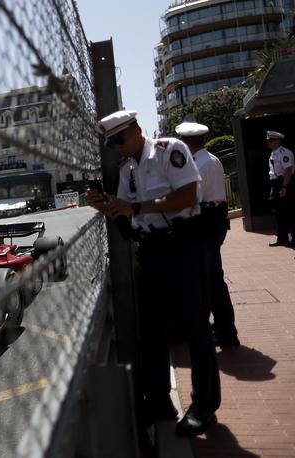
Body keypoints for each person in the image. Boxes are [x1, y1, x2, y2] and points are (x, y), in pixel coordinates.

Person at [86, 110, 220, 436]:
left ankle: (204, 405)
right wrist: (108, 206)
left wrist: (136, 207)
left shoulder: (168, 150)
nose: (117, 147)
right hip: (150, 251)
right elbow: (130, 216)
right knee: (152, 330)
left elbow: (188, 195)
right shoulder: (127, 169)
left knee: (195, 327)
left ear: (137, 131)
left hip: (182, 248)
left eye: (120, 139)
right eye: (111, 143)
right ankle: (160, 400)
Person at [176, 122, 239, 347]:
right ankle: (223, 328)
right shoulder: (210, 159)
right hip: (214, 222)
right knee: (212, 277)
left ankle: (226, 332)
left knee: (210, 279)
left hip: (206, 223)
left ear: (185, 143)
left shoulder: (197, 166)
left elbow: (191, 199)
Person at [266, 131, 294, 247]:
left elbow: (288, 170)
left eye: (270, 140)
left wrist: (284, 187)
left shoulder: (284, 152)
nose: (268, 142)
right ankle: (282, 238)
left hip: (283, 183)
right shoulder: (274, 153)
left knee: (289, 212)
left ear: (277, 140)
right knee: (279, 213)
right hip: (276, 184)